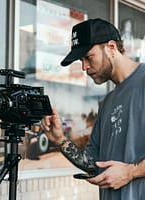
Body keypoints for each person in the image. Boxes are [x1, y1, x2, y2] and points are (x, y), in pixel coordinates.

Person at [41, 18, 145, 200]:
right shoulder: (107, 103)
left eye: (89, 57)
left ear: (112, 47)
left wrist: (131, 172)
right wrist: (59, 140)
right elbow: (93, 164)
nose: (84, 67)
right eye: (81, 60)